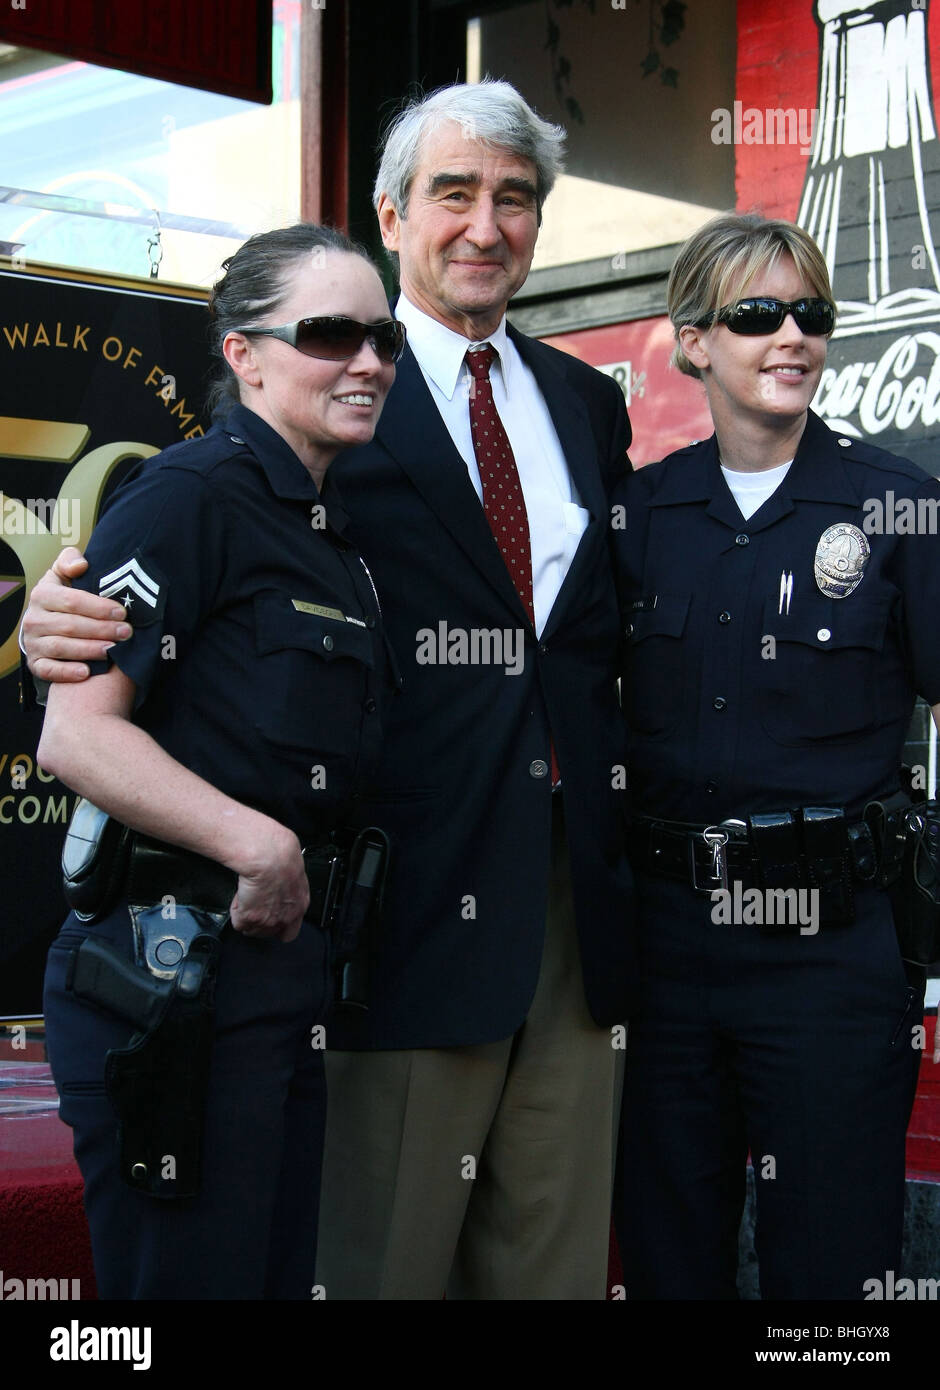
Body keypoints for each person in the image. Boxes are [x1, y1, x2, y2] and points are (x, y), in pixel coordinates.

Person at [23, 80, 635, 1301]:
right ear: (391, 213)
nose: (483, 224)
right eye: (452, 194)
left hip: (573, 900)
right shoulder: (322, 393)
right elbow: (193, 541)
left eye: (513, 200)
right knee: (369, 1266)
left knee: (553, 1272)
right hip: (392, 908)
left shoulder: (586, 402)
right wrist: (62, 612)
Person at [33, 223, 403, 1299]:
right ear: (244, 353)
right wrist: (256, 841)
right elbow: (76, 731)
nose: (368, 361)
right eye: (331, 335)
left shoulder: (330, 527)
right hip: (169, 972)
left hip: (272, 977)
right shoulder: (193, 494)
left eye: (382, 339)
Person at [612, 211, 940, 1299]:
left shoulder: (897, 506)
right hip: (660, 950)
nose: (791, 336)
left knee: (834, 1275)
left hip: (830, 949)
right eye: (757, 315)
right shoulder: (642, 514)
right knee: (667, 1263)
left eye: (811, 314)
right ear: (691, 340)